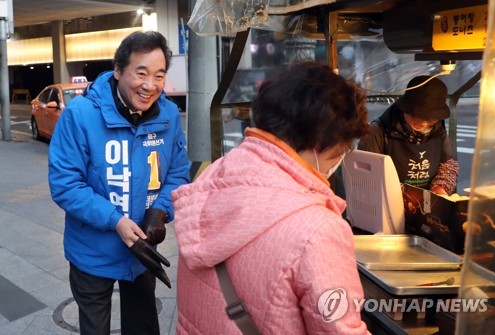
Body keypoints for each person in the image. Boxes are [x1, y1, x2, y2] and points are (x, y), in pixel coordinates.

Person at [172, 61, 371, 334]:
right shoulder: (318, 230)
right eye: (344, 145)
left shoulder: (212, 180)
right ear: (323, 141)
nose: (342, 154)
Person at [48, 31, 190, 334]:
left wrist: (160, 211)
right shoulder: (80, 114)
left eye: (159, 75)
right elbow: (65, 184)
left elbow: (178, 173)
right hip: (91, 254)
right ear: (118, 70)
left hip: (142, 255)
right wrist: (116, 221)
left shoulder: (168, 116)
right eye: (141, 73)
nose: (150, 85)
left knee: (143, 326)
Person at [357, 75, 459, 195]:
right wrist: (407, 196)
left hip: (428, 204)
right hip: (388, 205)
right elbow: (369, 177)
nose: (424, 123)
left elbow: (448, 165)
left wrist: (440, 189)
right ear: (406, 108)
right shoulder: (376, 132)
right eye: (417, 116)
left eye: (430, 119)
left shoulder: (438, 130)